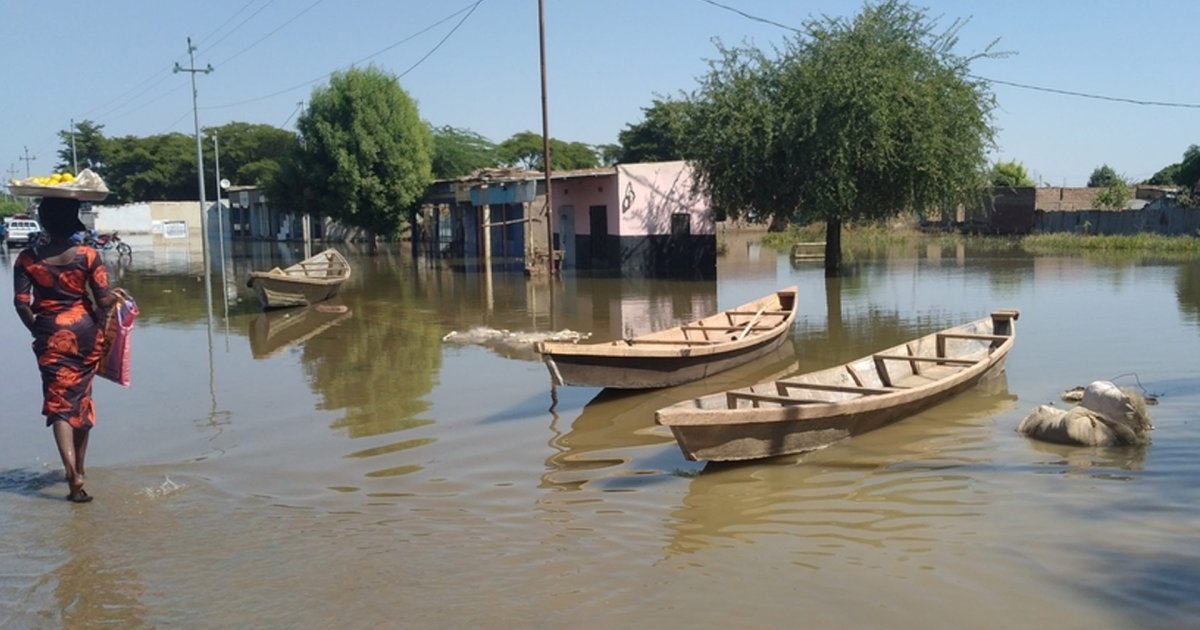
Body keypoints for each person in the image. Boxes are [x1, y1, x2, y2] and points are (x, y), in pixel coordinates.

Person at [12, 196, 114, 503]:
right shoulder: (88, 255)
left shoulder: (28, 259)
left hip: (49, 333)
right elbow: (104, 299)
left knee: (59, 404)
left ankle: (71, 471)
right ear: (73, 222)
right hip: (84, 333)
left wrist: (38, 330)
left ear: (42, 221)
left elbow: (20, 304)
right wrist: (111, 305)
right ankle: (80, 468)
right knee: (81, 400)